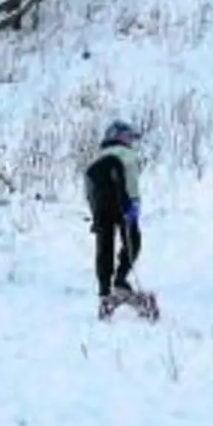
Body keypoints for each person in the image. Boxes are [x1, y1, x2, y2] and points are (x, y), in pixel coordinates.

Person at [83, 120, 143, 298]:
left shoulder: (96, 158)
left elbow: (88, 189)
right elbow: (130, 180)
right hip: (121, 200)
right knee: (132, 241)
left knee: (104, 245)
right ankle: (120, 279)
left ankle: (104, 288)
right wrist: (133, 204)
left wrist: (95, 213)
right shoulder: (127, 155)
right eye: (128, 136)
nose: (131, 141)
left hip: (100, 205)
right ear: (118, 136)